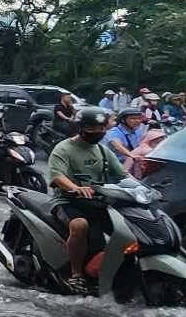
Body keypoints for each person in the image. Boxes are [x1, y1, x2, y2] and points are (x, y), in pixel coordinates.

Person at [47, 106, 128, 295]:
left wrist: (141, 187)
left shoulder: (102, 150)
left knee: (128, 227)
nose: (98, 132)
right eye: (92, 128)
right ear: (81, 128)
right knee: (80, 225)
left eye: (101, 128)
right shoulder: (63, 148)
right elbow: (58, 176)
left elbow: (123, 175)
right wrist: (75, 188)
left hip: (99, 201)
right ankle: (76, 275)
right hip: (68, 201)